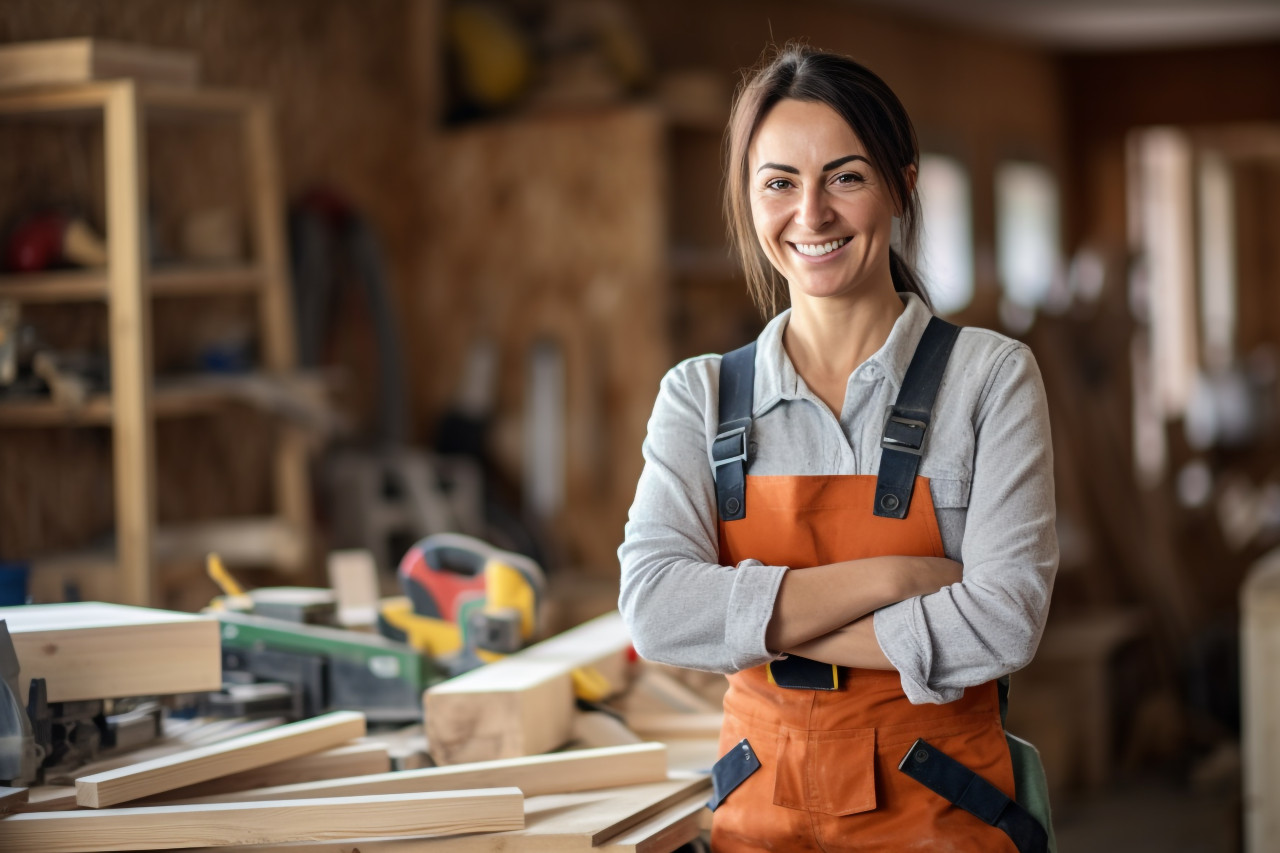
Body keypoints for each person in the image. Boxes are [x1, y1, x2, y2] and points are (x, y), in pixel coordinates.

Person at [617, 44, 1058, 852]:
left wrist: (746, 623)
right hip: (760, 821)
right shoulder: (699, 396)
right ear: (749, 198)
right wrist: (892, 578)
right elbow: (654, 611)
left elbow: (1003, 623)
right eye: (779, 181)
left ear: (903, 182)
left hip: (946, 817)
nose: (811, 214)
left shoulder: (990, 379)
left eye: (846, 177)